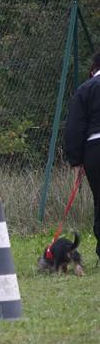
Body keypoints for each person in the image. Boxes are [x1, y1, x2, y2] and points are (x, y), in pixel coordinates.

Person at [64, 51, 100, 261]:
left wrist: (76, 161)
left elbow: (75, 127)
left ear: (92, 69)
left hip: (95, 148)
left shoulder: (86, 89)